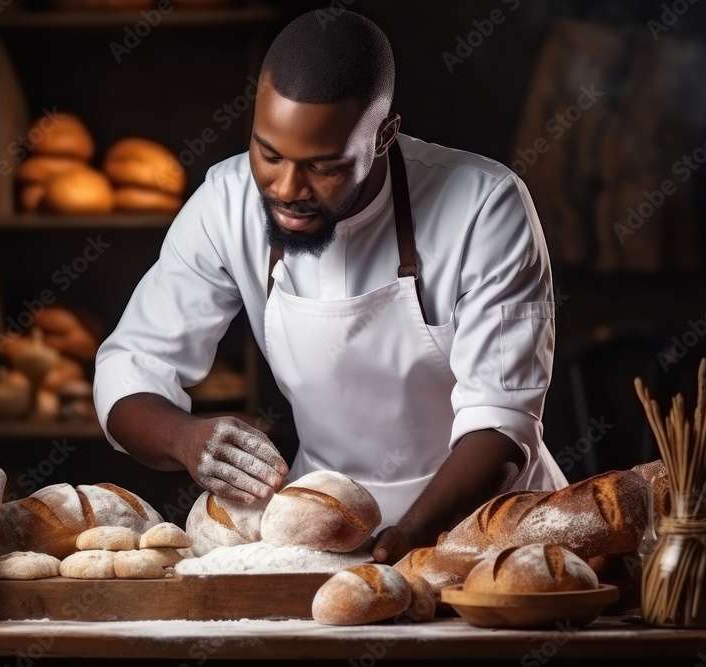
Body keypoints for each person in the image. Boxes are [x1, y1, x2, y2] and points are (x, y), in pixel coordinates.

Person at [94, 9, 567, 565]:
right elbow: (131, 365)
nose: (287, 189)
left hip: (488, 533)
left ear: (385, 136)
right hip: (323, 533)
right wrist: (185, 440)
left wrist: (406, 538)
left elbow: (502, 424)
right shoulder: (225, 202)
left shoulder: (484, 205)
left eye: (325, 167)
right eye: (268, 154)